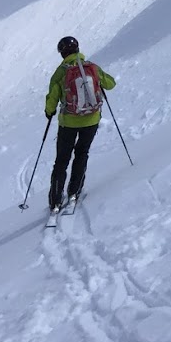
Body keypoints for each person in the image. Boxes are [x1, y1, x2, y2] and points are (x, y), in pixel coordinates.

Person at [44, 36, 117, 212]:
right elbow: (111, 84)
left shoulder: (61, 72)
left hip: (68, 122)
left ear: (62, 53)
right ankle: (74, 191)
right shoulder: (92, 67)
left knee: (61, 161)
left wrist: (49, 112)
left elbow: (52, 98)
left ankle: (55, 200)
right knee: (82, 153)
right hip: (91, 119)